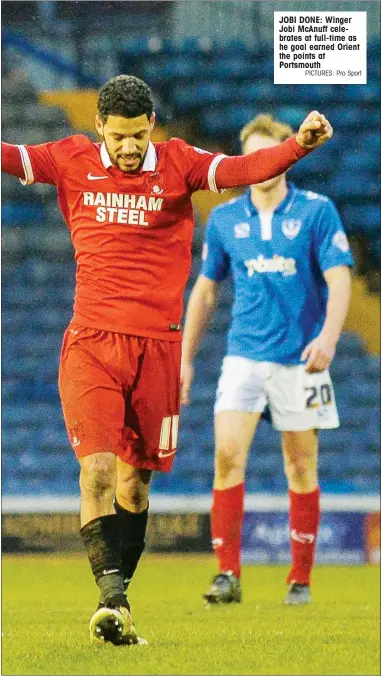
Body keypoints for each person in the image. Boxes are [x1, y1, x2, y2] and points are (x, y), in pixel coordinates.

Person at [2, 75, 333, 645]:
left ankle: (119, 606)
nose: (128, 147)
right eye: (118, 136)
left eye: (137, 135)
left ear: (150, 125)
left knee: (135, 488)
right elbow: (9, 156)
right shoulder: (70, 158)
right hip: (92, 343)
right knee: (98, 471)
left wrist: (297, 146)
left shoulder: (178, 163)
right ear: (99, 127)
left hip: (158, 347)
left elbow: (239, 171)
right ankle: (112, 598)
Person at [181, 113, 353, 607]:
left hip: (301, 359)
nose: (262, 164)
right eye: (252, 156)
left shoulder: (318, 211)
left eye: (268, 153)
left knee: (300, 468)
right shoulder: (225, 219)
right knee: (226, 457)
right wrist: (186, 360)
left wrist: (329, 338)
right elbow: (206, 291)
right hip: (243, 357)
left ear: (285, 152)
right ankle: (227, 575)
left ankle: (299, 579)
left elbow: (340, 280)